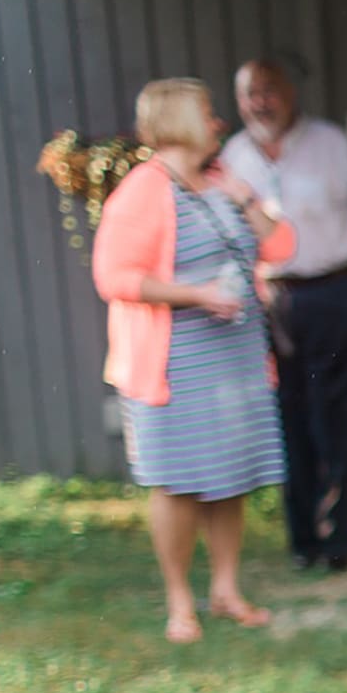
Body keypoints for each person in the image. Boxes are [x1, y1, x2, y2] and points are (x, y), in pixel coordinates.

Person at [92, 78, 296, 643]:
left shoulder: (219, 182)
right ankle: (180, 602)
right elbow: (114, 277)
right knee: (178, 481)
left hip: (234, 358)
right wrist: (200, 295)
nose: (218, 123)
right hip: (175, 363)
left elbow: (282, 247)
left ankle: (226, 591)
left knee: (232, 476)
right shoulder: (142, 190)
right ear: (181, 120)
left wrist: (244, 198)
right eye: (208, 113)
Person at [221, 57, 347, 573]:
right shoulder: (232, 157)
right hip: (269, 302)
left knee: (336, 420)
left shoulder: (332, 145)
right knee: (287, 421)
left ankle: (337, 542)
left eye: (269, 89)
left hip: (336, 293)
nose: (260, 101)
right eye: (250, 92)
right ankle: (303, 542)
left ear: (291, 93)